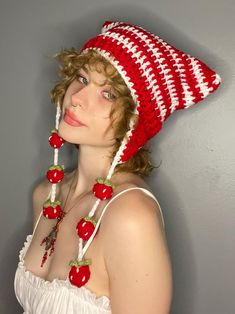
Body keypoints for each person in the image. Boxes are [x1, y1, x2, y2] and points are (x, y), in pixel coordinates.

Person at [14, 20, 221, 314]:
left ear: (133, 123)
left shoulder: (130, 215)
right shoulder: (47, 194)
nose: (76, 99)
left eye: (108, 94)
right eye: (82, 79)